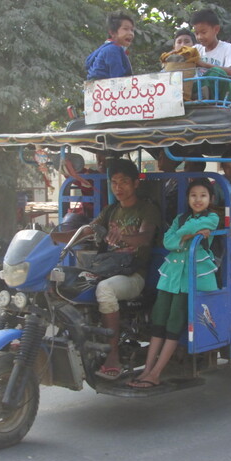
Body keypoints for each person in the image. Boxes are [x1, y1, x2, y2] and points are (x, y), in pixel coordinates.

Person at [51, 159, 161, 378]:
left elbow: (146, 237)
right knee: (59, 282)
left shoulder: (147, 209)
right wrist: (51, 237)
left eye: (124, 182)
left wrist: (124, 236)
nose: (118, 188)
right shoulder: (111, 210)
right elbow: (86, 231)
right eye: (114, 183)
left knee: (105, 290)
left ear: (136, 183)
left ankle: (113, 356)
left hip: (133, 274)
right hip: (105, 268)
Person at [128, 179, 219, 389]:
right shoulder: (180, 218)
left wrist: (183, 234)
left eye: (203, 195)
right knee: (159, 320)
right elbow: (167, 242)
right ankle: (147, 370)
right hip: (170, 277)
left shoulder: (212, 218)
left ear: (211, 199)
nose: (198, 199)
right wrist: (187, 235)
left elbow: (179, 236)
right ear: (187, 198)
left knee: (174, 324)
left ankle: (156, 373)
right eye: (193, 195)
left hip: (191, 277)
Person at [190, 9, 231, 100]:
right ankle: (200, 93)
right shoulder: (196, 49)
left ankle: (204, 94)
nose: (199, 37)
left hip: (222, 96)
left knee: (218, 73)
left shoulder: (227, 48)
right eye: (196, 33)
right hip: (200, 87)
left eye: (203, 32)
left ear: (216, 29)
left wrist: (204, 64)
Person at [85, 12, 134, 81]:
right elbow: (118, 79)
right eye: (125, 29)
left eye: (132, 30)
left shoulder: (109, 49)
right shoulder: (112, 49)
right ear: (112, 33)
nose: (131, 33)